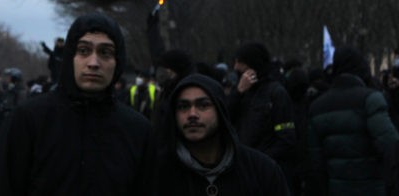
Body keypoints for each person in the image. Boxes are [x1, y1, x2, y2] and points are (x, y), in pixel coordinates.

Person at [0, 12, 156, 196]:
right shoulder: (28, 120)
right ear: (70, 57)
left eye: (105, 52)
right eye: (83, 51)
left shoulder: (138, 131)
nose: (93, 63)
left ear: (117, 61)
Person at [156, 73, 290, 195]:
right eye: (183, 107)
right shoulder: (157, 173)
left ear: (220, 111)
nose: (192, 114)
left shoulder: (261, 171)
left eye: (203, 105)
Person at [307, 45, 399, 196]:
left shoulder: (317, 107)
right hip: (372, 188)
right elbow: (391, 147)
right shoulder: (371, 99)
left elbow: (316, 164)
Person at [228, 42, 297, 188]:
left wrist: (259, 161)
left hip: (266, 173)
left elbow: (286, 139)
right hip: (243, 172)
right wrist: (238, 93)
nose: (235, 67)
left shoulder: (276, 93)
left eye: (240, 62)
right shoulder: (242, 93)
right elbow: (226, 118)